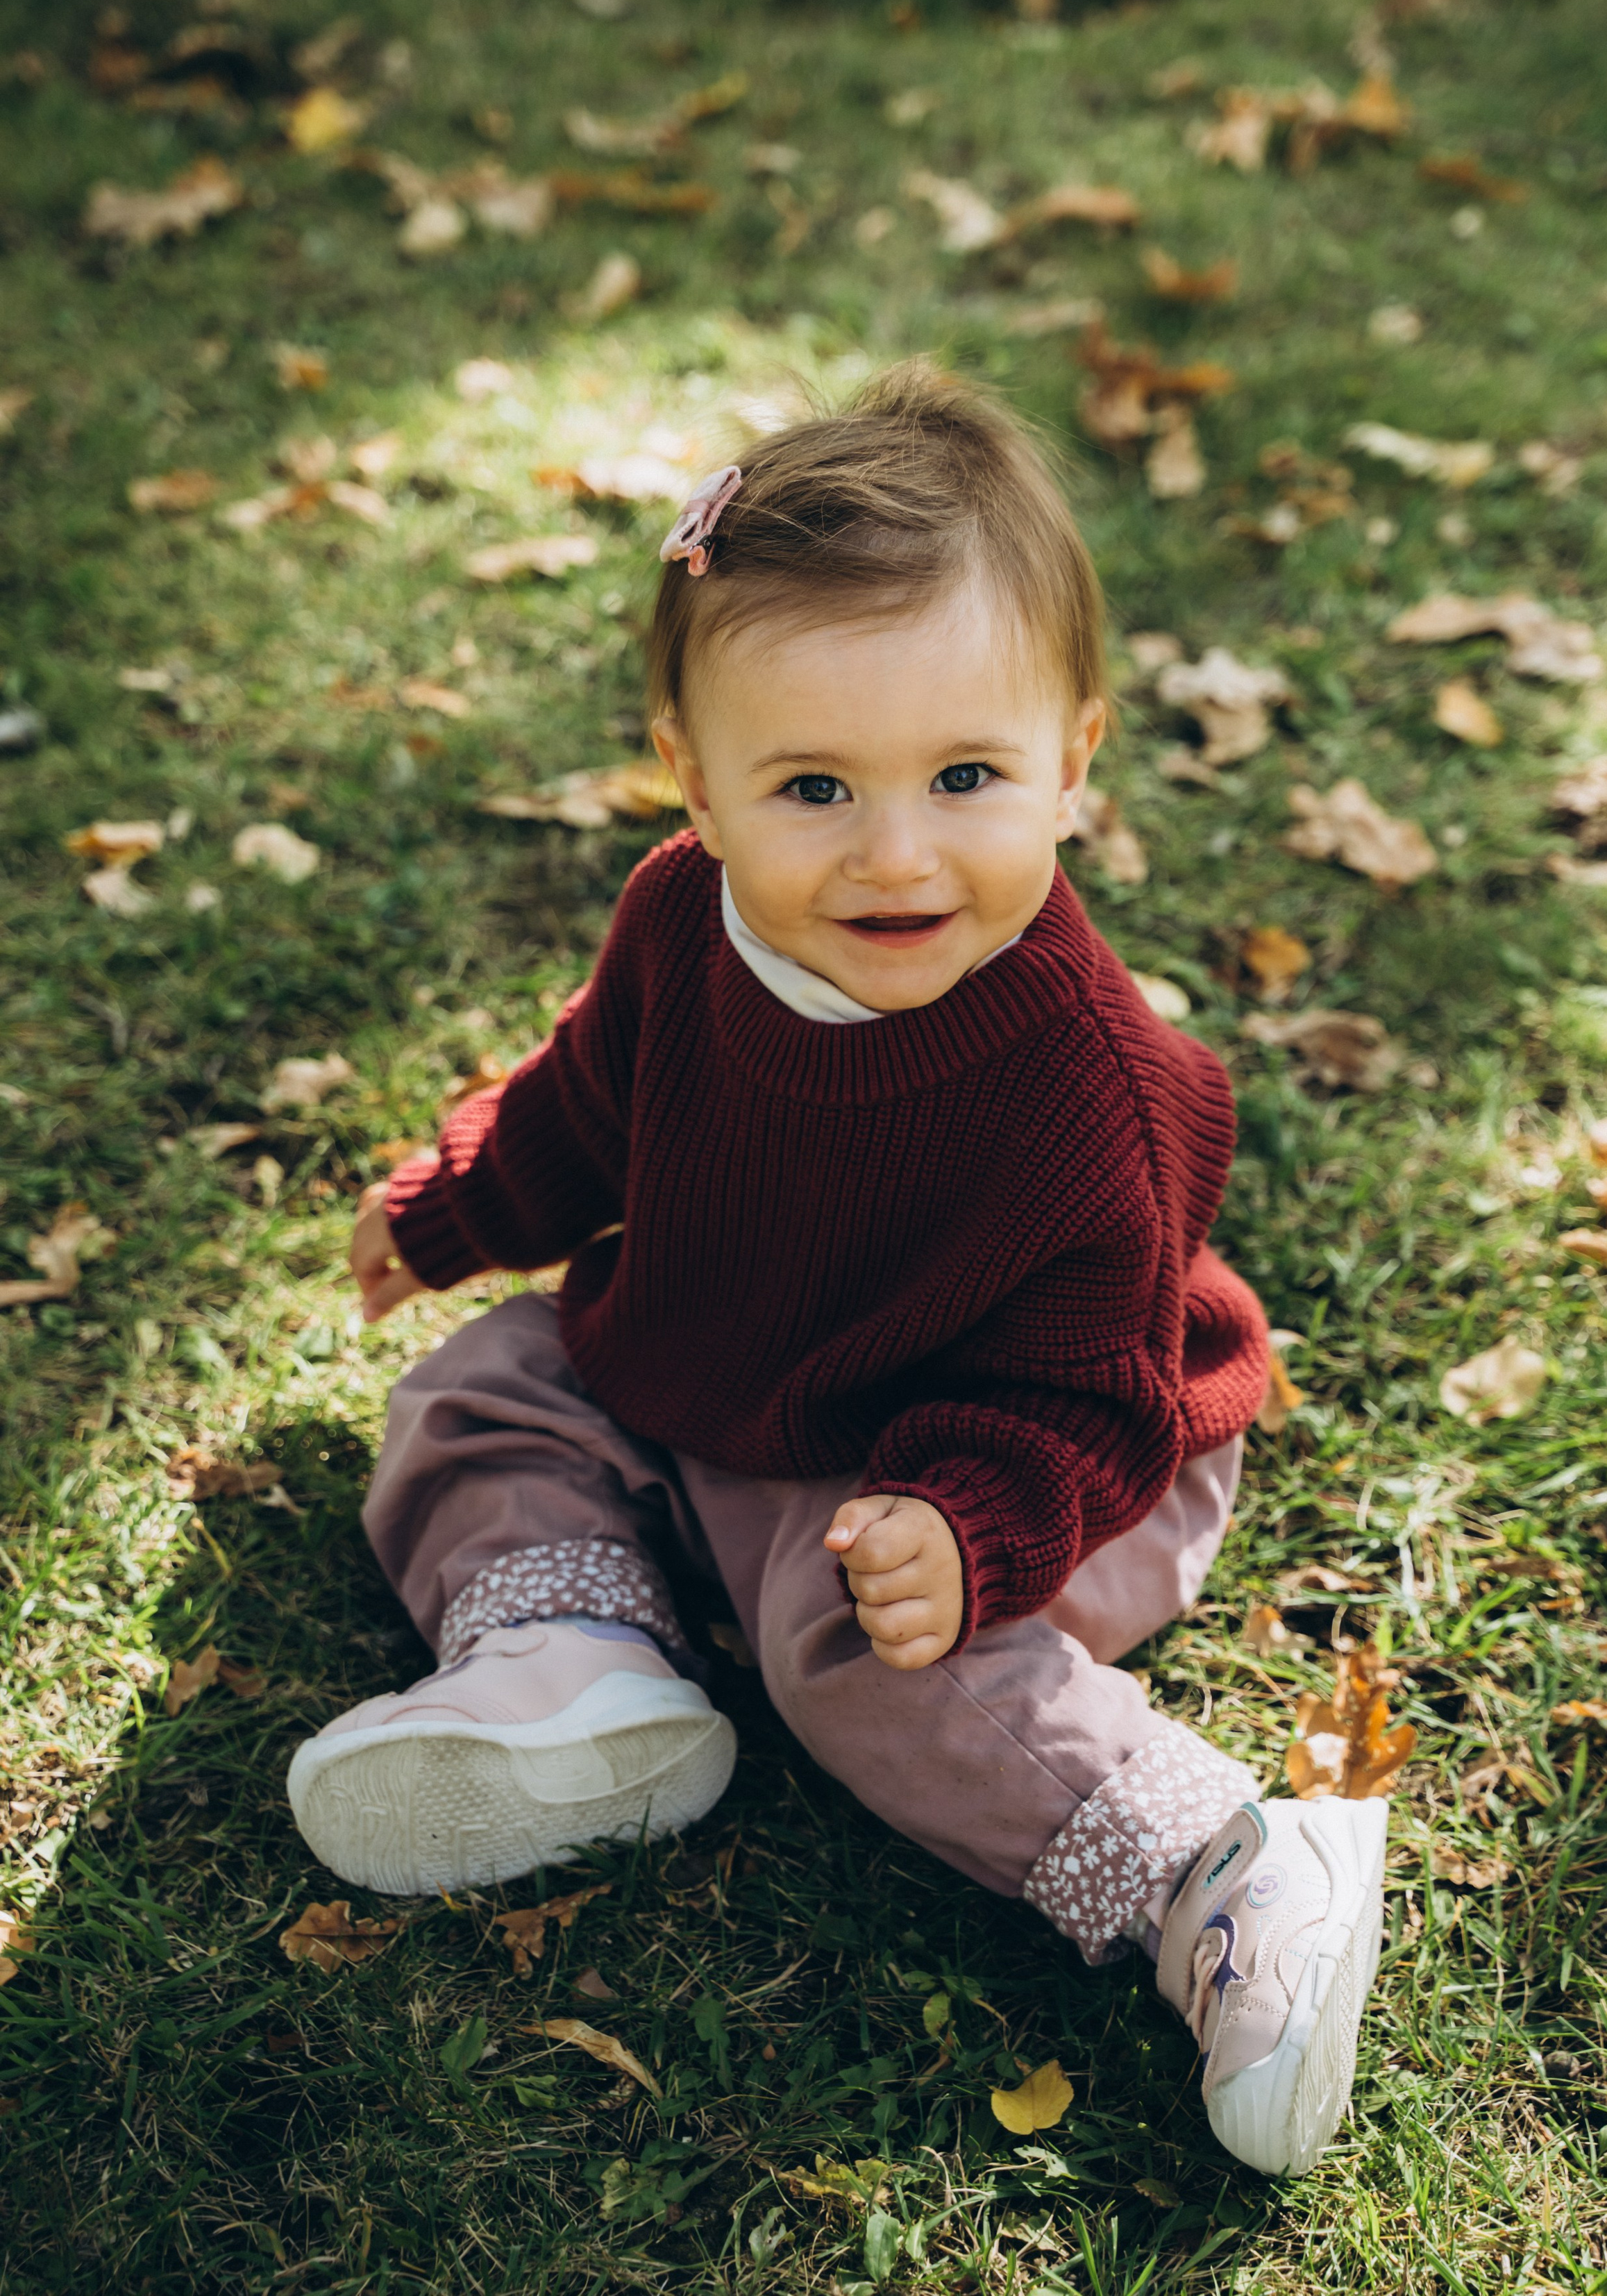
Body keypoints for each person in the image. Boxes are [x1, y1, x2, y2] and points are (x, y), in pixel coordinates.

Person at [286, 366, 1386, 2175]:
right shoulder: (680, 922)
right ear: (695, 784)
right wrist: (456, 1204)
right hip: (734, 1350)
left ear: (1075, 758)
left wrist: (973, 1529)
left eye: (968, 776)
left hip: (1022, 1446)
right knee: (486, 1384)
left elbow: (1091, 1387)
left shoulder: (1093, 1096)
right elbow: (590, 1106)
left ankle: (1224, 1872)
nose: (895, 853)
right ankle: (574, 1665)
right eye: (813, 785)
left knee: (853, 1657)